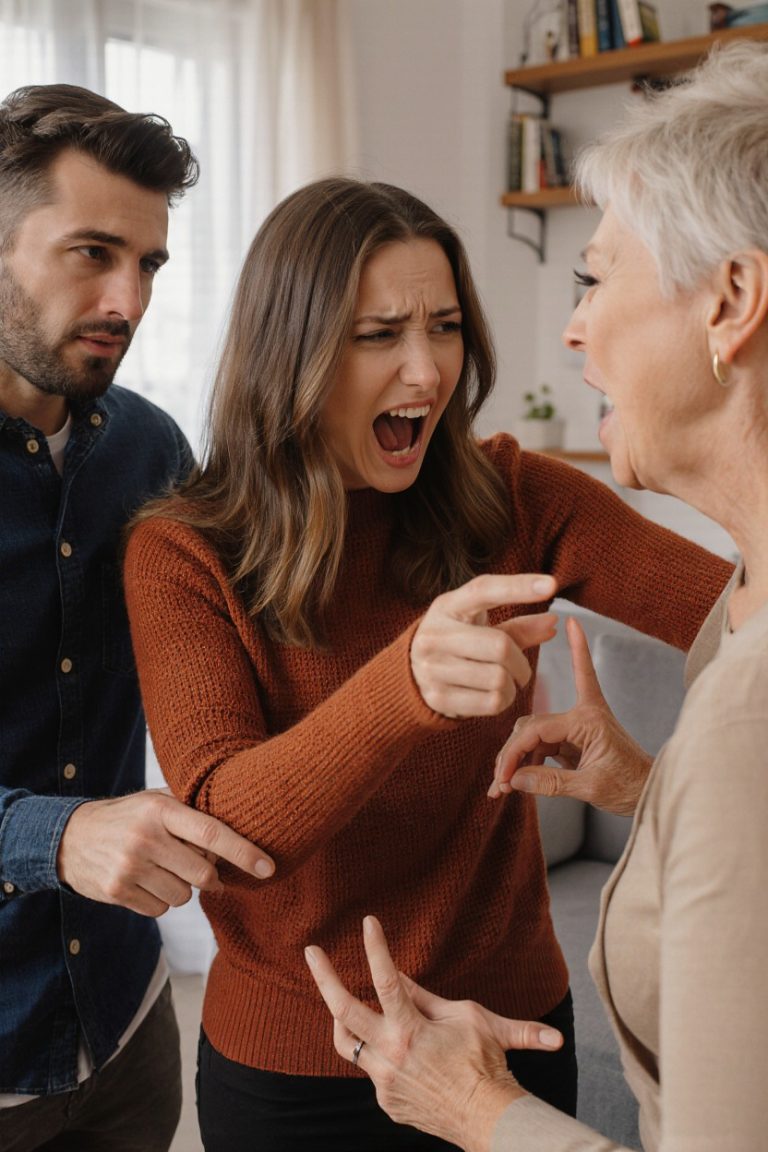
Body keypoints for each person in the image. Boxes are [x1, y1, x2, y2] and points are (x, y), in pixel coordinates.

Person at [124, 174, 731, 1152]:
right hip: (292, 1071)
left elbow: (739, 614)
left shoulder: (517, 498)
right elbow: (220, 825)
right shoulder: (185, 552)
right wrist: (403, 687)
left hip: (512, 1035)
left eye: (444, 327)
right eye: (378, 336)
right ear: (292, 350)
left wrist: (652, 776)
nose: (425, 371)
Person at [305, 40, 768, 1152]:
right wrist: (656, 794)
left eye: (593, 279)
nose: (566, 328)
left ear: (733, 302)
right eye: (378, 336)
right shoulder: (741, 612)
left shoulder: (745, 693)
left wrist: (474, 1108)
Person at [0, 84, 275, 1152]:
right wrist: (54, 835)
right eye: (91, 253)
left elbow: (246, 627)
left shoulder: (148, 449)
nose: (128, 297)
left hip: (125, 1019)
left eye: (150, 263)